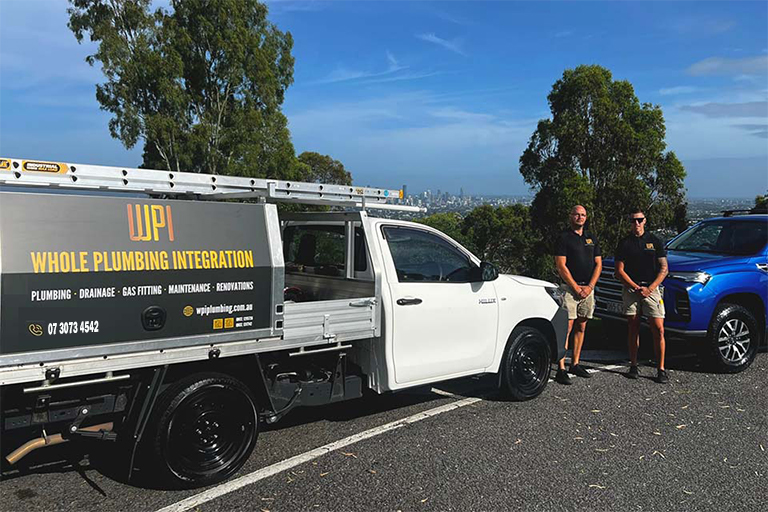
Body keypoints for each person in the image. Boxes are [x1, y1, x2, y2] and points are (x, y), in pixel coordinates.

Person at [615, 208, 669, 383]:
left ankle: (661, 369)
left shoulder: (655, 241)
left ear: (645, 220)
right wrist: (635, 287)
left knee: (658, 328)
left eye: (639, 220)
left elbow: (664, 268)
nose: (636, 223)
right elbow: (619, 270)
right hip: (632, 290)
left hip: (651, 290)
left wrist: (650, 288)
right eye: (633, 220)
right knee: (633, 326)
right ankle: (633, 365)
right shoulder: (624, 243)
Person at [553, 205, 602, 385]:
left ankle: (575, 363)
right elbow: (561, 265)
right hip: (569, 289)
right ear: (571, 216)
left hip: (587, 290)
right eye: (577, 214)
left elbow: (598, 264)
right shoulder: (564, 238)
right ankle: (561, 368)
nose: (580, 217)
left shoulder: (591, 238)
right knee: (566, 328)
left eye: (583, 215)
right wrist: (575, 287)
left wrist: (589, 287)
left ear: (586, 217)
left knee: (581, 326)